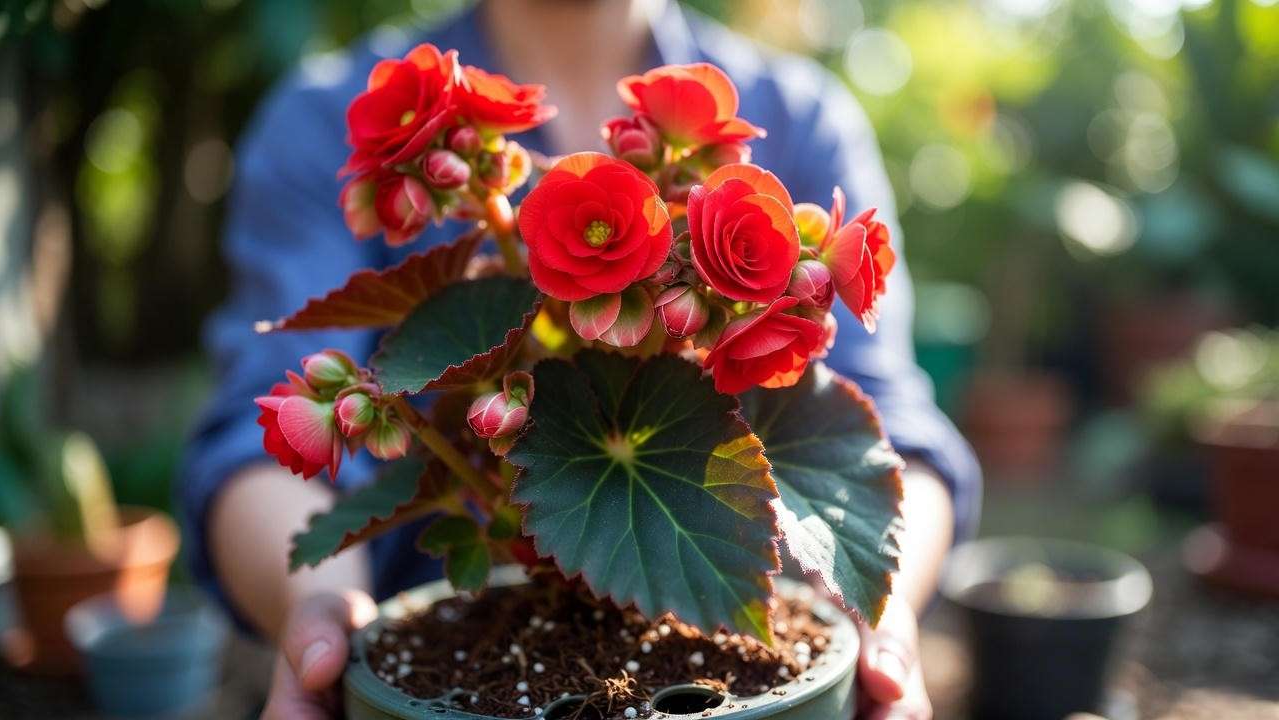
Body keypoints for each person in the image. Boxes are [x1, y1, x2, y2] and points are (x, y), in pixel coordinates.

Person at [182, 1, 981, 718]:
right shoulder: (320, 120)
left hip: (720, 630)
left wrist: (879, 612)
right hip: (452, 650)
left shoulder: (803, 116)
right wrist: (318, 604)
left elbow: (892, 427)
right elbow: (257, 433)